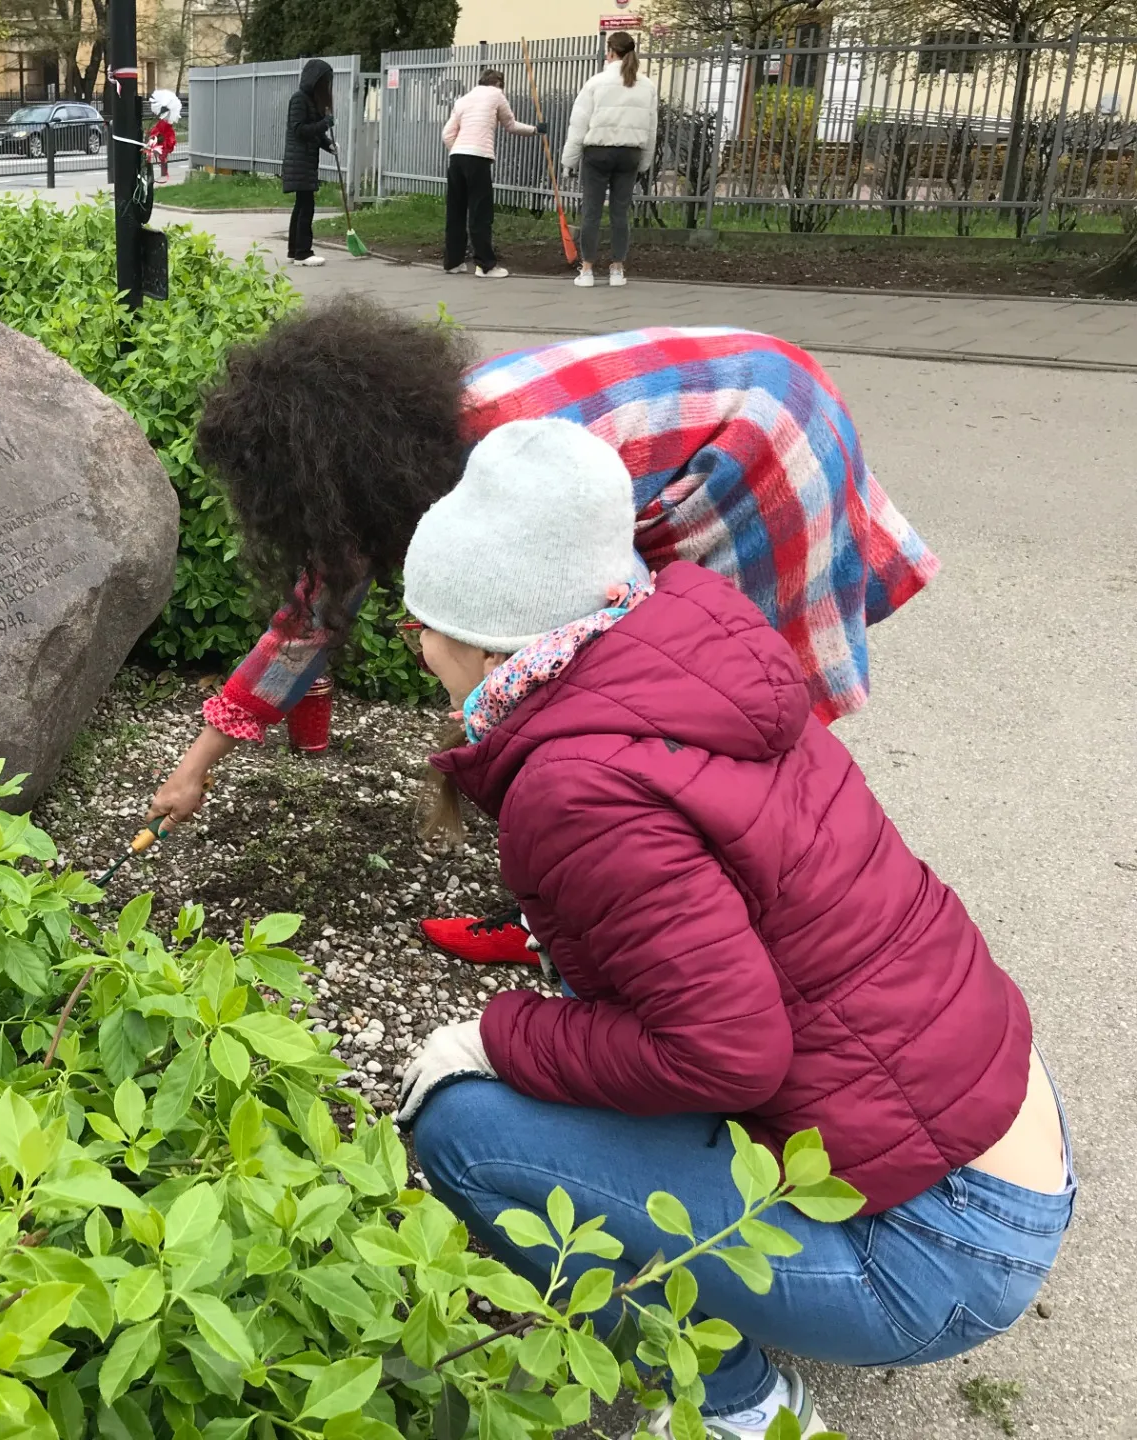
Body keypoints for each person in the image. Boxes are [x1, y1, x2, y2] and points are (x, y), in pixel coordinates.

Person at [393, 418, 1072, 1439]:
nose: (409, 642)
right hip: (997, 1139)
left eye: (420, 622)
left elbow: (728, 1052)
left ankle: (741, 1408)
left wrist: (493, 1037)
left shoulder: (575, 785)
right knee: (606, 1022)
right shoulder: (679, 649)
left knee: (463, 1128)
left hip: (945, 1251)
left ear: (485, 636)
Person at [150, 302, 938, 963]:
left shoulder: (518, 470)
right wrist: (194, 770)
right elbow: (310, 619)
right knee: (592, 706)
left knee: (696, 692)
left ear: (324, 474)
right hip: (739, 391)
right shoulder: (395, 454)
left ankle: (707, 915)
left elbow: (595, 632)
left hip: (758, 437)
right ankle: (605, 901)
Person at [563, 31, 658, 288]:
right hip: (630, 154)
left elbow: (579, 122)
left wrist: (569, 160)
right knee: (620, 213)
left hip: (598, 152)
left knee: (591, 212)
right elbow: (651, 128)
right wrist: (645, 161)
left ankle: (587, 270)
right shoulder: (647, 85)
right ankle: (617, 269)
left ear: (611, 52)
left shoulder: (596, 82)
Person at [441, 69, 536, 279]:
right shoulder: (496, 95)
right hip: (478, 158)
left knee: (455, 212)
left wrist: (459, 151)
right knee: (480, 212)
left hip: (456, 158)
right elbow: (510, 125)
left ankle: (452, 262)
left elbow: (447, 134)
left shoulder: (463, 100)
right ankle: (485, 265)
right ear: (499, 83)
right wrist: (535, 130)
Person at [283, 59, 337, 267]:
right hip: (300, 162)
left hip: (305, 160)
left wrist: (328, 145)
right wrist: (324, 124)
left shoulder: (311, 100)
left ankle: (294, 251)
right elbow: (300, 130)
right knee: (306, 207)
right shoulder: (299, 99)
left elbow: (314, 133)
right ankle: (303, 253)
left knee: (302, 206)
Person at [147, 106, 177, 181]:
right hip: (162, 139)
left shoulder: (164, 123)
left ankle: (164, 172)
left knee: (163, 156)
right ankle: (164, 172)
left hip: (164, 139)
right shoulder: (163, 123)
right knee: (162, 156)